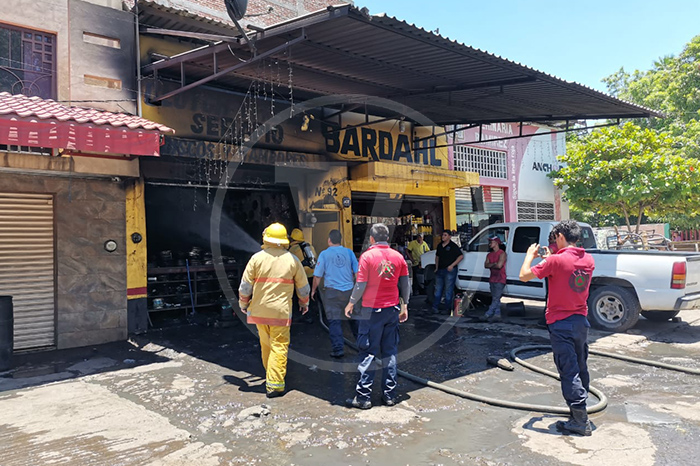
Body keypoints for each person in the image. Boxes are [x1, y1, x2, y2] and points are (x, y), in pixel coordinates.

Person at [519, 220, 595, 436]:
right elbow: (566, 269)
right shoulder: (588, 259)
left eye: (555, 238)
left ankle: (580, 421)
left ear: (561, 236)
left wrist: (529, 256)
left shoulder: (556, 261)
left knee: (568, 371)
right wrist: (551, 258)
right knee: (581, 367)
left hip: (561, 323)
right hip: (581, 321)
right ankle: (579, 413)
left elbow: (524, 275)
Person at [238, 223, 310, 398]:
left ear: (266, 238)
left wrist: (243, 304)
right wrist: (304, 303)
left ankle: (270, 375)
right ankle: (275, 385)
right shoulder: (292, 260)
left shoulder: (256, 259)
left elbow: (245, 287)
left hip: (259, 312)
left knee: (266, 345)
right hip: (280, 313)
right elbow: (303, 288)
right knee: (279, 346)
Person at [344, 223, 410, 409]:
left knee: (369, 352)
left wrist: (351, 302)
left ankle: (363, 398)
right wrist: (404, 306)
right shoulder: (398, 257)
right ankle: (389, 396)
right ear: (387, 238)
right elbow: (405, 285)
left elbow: (360, 284)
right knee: (390, 352)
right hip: (392, 310)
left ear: (371, 239)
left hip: (371, 311)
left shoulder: (367, 257)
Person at [311, 229, 358, 358]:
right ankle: (363, 345)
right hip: (349, 292)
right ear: (340, 240)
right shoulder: (349, 253)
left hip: (332, 293)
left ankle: (338, 350)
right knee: (354, 320)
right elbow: (357, 272)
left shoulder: (324, 254)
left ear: (329, 240)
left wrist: (313, 290)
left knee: (334, 321)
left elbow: (317, 276)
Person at [432, 229, 463, 314]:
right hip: (440, 270)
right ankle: (435, 307)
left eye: (445, 235)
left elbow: (460, 256)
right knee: (438, 289)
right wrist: (436, 267)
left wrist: (452, 265)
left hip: (449, 271)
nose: (443, 237)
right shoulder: (439, 246)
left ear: (449, 237)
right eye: (442, 235)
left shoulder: (453, 246)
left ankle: (447, 309)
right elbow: (437, 257)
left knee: (448, 290)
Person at [289, 228, 317, 323]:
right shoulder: (309, 246)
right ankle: (312, 316)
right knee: (311, 296)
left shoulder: (293, 249)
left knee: (300, 295)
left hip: (302, 276)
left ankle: (301, 315)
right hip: (313, 275)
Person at [483, 236, 506, 322]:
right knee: (495, 298)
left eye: (491, 242)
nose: (489, 244)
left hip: (500, 278)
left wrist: (491, 264)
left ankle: (488, 314)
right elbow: (486, 265)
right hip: (492, 278)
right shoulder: (489, 254)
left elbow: (499, 266)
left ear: (496, 243)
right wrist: (494, 264)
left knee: (496, 298)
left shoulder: (502, 253)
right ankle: (497, 314)